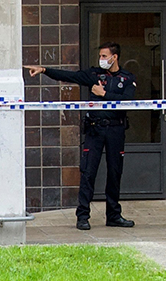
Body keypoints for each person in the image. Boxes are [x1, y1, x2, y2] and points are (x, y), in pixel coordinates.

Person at [25, 43, 135, 230]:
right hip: (95, 129)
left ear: (114, 57)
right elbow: (70, 76)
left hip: (116, 130)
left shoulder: (127, 78)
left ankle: (114, 215)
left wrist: (104, 94)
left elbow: (129, 101)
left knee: (115, 172)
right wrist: (44, 70)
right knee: (88, 173)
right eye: (100, 56)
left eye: (104, 56)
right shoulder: (94, 75)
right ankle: (83, 216)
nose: (101, 59)